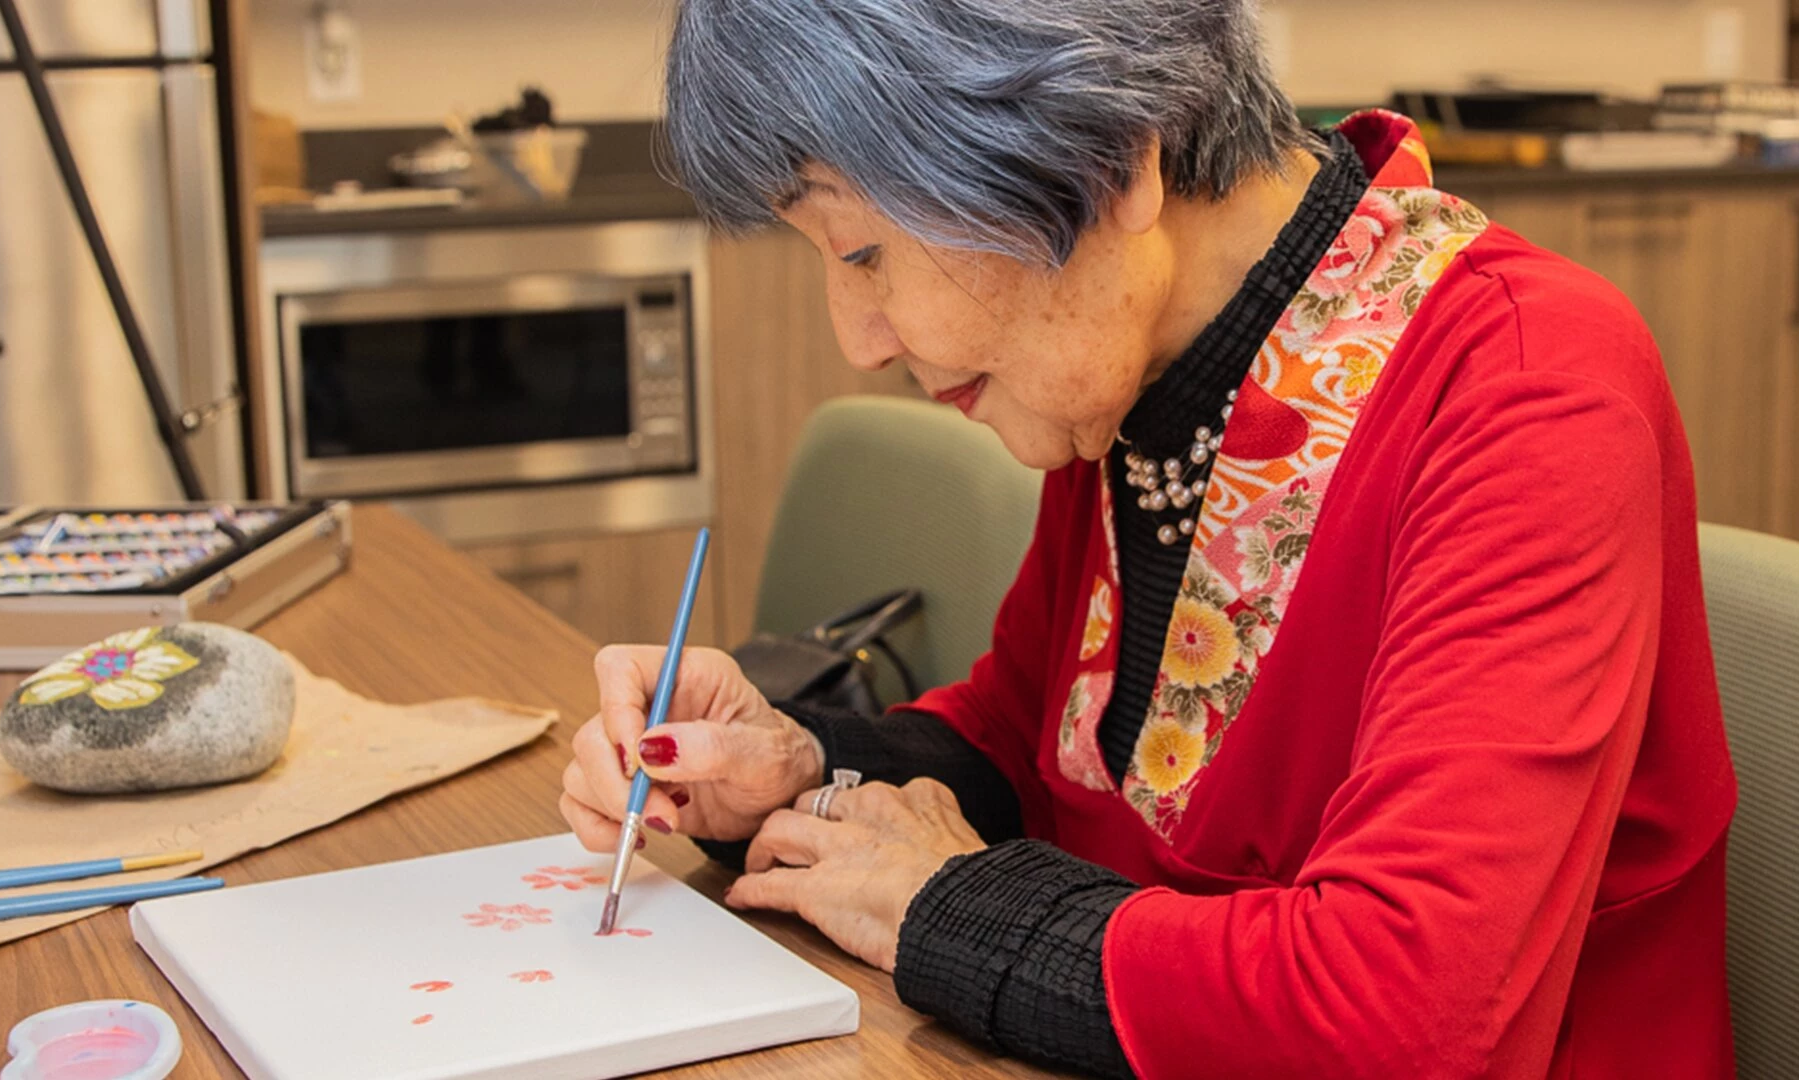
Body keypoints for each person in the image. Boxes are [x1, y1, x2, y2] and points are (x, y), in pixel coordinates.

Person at [559, 2, 1738, 1076]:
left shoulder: (1529, 393)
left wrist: (948, 907)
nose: (858, 336)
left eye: (863, 248)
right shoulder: (1127, 371)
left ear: (1111, 159)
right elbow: (1035, 744)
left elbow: (1409, 1014)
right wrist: (804, 771)